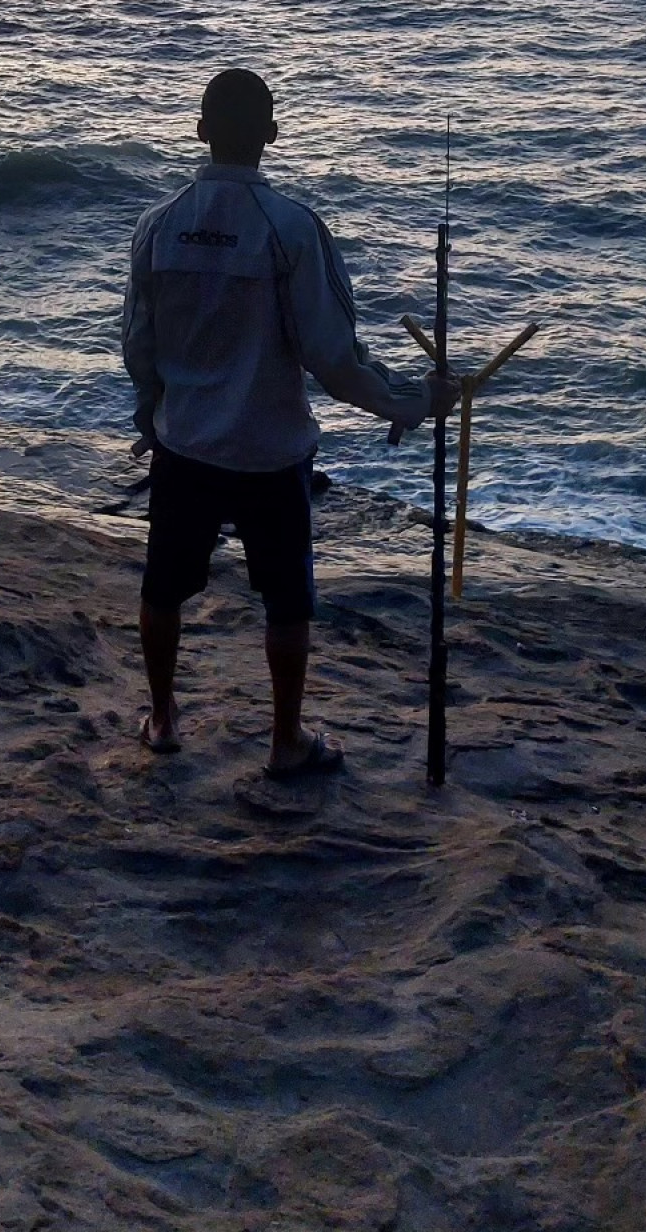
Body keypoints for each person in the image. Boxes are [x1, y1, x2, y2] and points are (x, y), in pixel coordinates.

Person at [121, 68, 457, 777]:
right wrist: (409, 402)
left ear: (201, 128)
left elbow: (139, 344)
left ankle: (163, 718)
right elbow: (333, 360)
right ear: (272, 135)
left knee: (163, 586)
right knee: (286, 600)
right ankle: (284, 740)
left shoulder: (158, 226)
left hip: (184, 442)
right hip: (271, 452)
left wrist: (152, 414)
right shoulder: (295, 231)